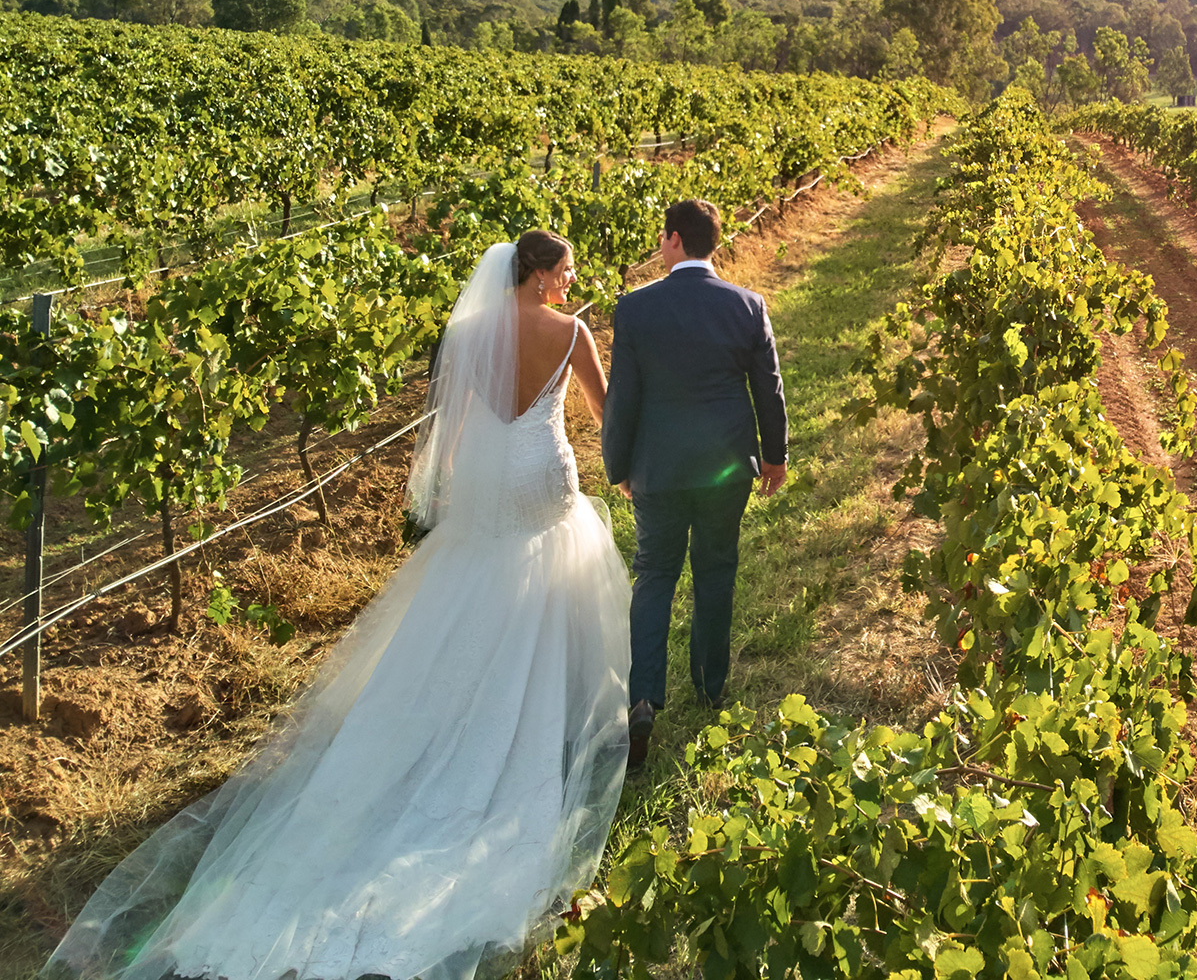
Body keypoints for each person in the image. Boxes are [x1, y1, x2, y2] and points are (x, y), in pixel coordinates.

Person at [45, 232, 631, 980]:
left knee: (468, 583)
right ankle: (550, 709)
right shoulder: (572, 330)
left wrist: (446, 489)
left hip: (487, 480)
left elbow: (448, 426)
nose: (571, 280)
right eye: (566, 270)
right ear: (542, 274)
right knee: (554, 562)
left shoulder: (465, 333)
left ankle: (454, 709)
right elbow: (603, 410)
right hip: (540, 473)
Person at [603, 198, 787, 770]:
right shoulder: (747, 305)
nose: (661, 247)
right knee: (715, 569)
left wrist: (619, 467)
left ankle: (642, 698)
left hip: (657, 468)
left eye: (663, 239)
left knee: (654, 574)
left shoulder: (634, 310)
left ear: (675, 240)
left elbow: (623, 399)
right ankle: (710, 687)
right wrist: (775, 456)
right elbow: (769, 389)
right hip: (726, 467)